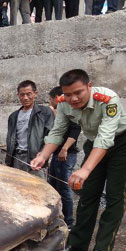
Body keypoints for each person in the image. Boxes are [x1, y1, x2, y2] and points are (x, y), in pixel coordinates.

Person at [31, 70, 126, 251]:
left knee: (115, 195)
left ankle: (103, 247)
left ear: (90, 86)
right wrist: (43, 155)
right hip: (93, 142)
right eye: (68, 94)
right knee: (88, 195)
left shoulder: (107, 99)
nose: (73, 98)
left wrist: (85, 169)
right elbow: (57, 132)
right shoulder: (63, 103)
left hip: (121, 143)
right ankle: (77, 244)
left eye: (78, 92)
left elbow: (106, 138)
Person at [5, 80, 55, 177]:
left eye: (29, 94)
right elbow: (10, 139)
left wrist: (42, 155)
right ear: (18, 95)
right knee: (17, 187)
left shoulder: (44, 112)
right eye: (22, 95)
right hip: (17, 158)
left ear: (35, 94)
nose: (25, 98)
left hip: (35, 158)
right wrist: (8, 160)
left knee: (37, 188)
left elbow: (50, 136)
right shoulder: (13, 116)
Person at [47, 86, 81, 228]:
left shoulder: (71, 112)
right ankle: (57, 217)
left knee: (64, 188)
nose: (50, 102)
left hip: (66, 154)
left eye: (50, 99)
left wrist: (65, 149)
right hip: (57, 154)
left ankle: (69, 221)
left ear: (57, 98)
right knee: (53, 186)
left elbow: (75, 131)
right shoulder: (59, 113)